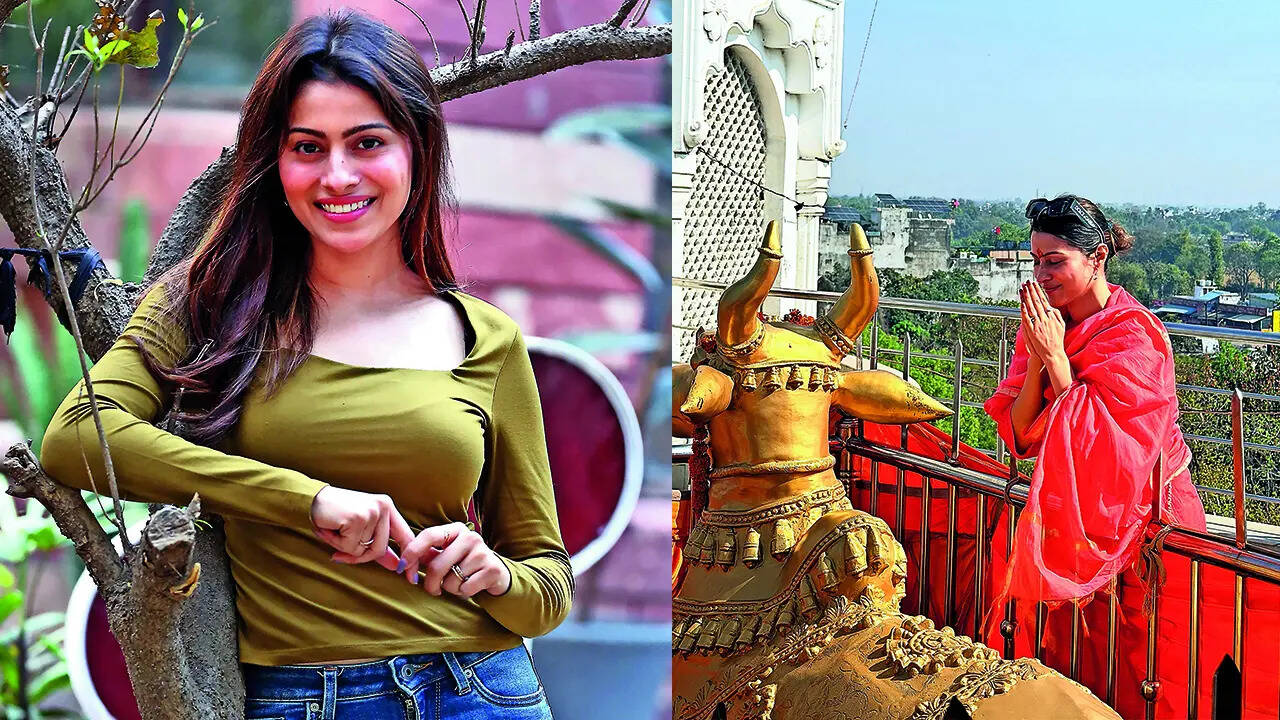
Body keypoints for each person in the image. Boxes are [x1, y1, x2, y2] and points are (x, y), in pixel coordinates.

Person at [39, 10, 571, 719]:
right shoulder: (210, 302)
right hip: (303, 699)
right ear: (275, 162)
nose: (338, 175)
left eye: (367, 142)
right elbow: (77, 436)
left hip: (479, 688)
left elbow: (547, 587)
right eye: (308, 147)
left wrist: (494, 575)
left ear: (417, 150)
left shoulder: (485, 338)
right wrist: (306, 501)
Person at [981, 194, 1206, 718]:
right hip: (1071, 516)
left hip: (1148, 520)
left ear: (1097, 256)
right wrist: (1041, 356)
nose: (1041, 274)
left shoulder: (1135, 336)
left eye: (1054, 261)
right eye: (1036, 260)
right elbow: (1021, 434)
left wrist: (1056, 357)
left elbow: (1107, 451)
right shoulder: (1047, 323)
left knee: (1146, 669)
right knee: (1071, 666)